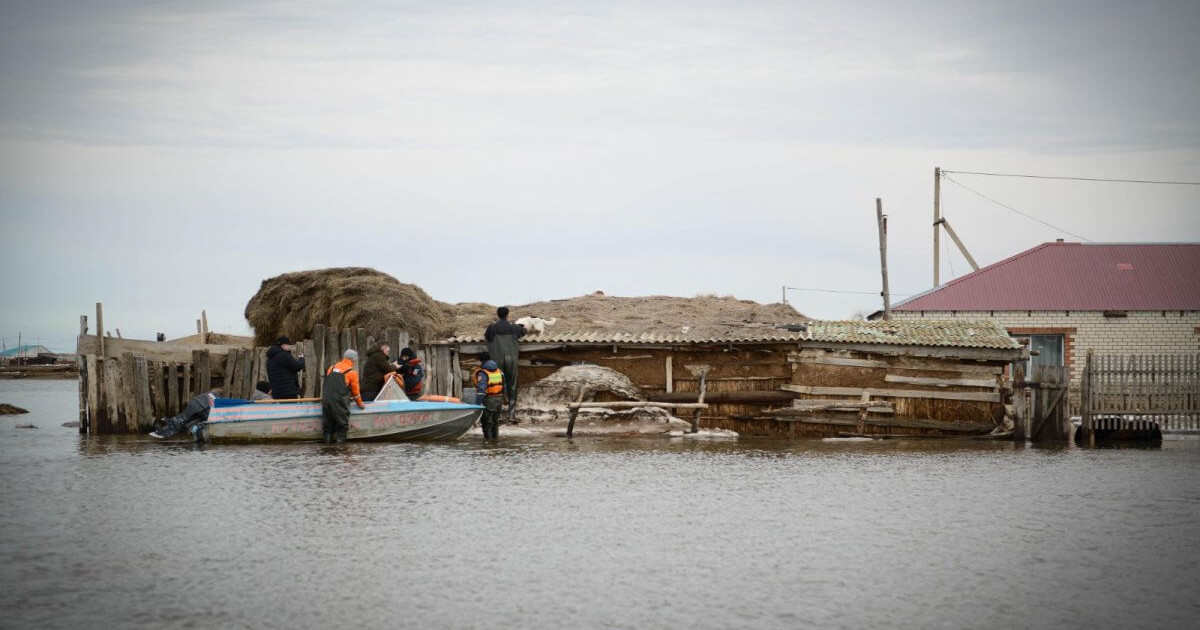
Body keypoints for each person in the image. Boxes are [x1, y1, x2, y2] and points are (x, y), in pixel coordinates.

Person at [484, 306, 525, 419]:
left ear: (497, 315)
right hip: (511, 360)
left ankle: (497, 415)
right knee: (512, 386)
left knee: (497, 386)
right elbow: (524, 331)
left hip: (496, 363)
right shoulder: (514, 327)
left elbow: (487, 337)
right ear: (508, 315)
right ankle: (511, 415)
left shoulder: (492, 328)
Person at [321, 349, 364, 444]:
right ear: (353, 360)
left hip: (326, 400)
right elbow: (356, 393)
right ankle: (340, 449)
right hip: (339, 402)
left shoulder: (331, 368)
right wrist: (361, 404)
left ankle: (326, 448)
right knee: (342, 426)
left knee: (328, 427)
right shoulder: (352, 372)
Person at [150, 390, 218, 440]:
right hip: (203, 405)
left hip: (200, 403)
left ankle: (167, 428)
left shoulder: (214, 394)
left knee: (184, 418)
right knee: (185, 419)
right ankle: (167, 429)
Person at [473, 352, 505, 440]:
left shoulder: (482, 373)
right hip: (499, 399)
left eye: (478, 361)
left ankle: (488, 445)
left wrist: (477, 404)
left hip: (488, 400)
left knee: (487, 423)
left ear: (481, 361)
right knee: (495, 423)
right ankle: (495, 443)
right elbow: (503, 385)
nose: (477, 363)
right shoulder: (499, 370)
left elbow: (481, 390)